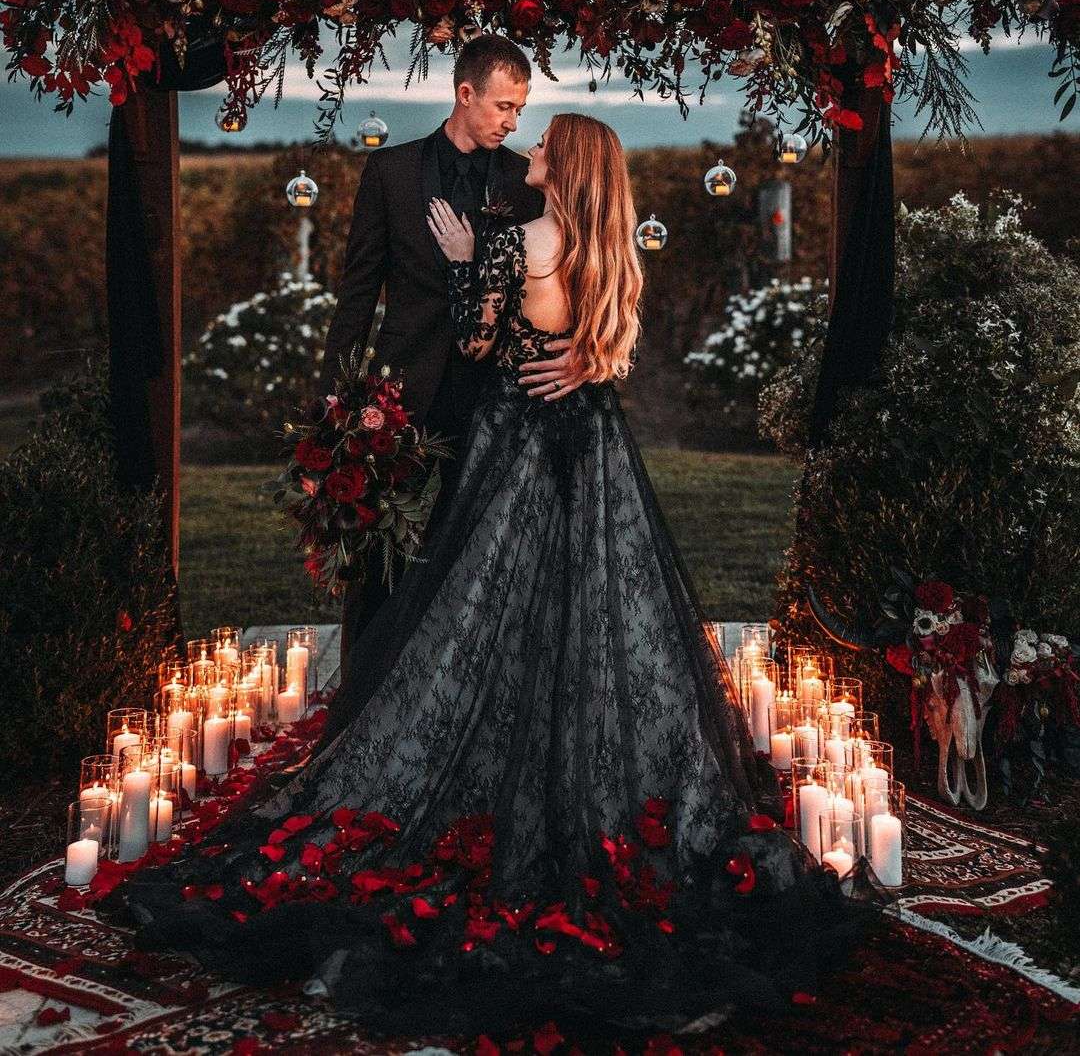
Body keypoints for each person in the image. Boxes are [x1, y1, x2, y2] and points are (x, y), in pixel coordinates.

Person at [114, 114, 872, 1040]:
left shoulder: (522, 235)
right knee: (589, 608)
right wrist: (586, 348)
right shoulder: (607, 246)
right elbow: (614, 346)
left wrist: (476, 257)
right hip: (592, 448)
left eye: (547, 141)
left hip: (514, 445)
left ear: (569, 164)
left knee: (478, 608)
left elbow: (477, 345)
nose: (533, 148)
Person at [317, 33, 580, 685]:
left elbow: (573, 276)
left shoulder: (527, 183)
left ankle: (462, 690)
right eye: (503, 106)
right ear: (465, 93)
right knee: (378, 551)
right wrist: (334, 404)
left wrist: (582, 347)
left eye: (521, 109)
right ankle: (367, 689)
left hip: (499, 398)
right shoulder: (390, 172)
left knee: (478, 550)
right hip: (401, 392)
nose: (513, 121)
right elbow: (357, 296)